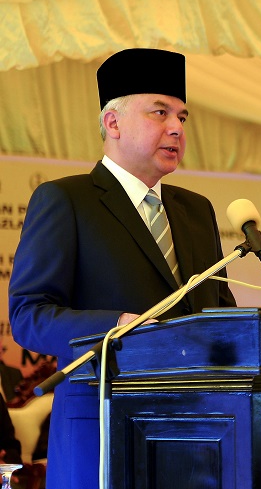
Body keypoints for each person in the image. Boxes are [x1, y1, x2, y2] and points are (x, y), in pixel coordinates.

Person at [8, 48, 237, 489]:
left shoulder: (196, 211)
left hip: (199, 437)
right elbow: (29, 316)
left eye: (183, 117)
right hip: (102, 431)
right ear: (112, 123)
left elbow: (220, 316)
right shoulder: (67, 201)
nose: (176, 128)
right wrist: (115, 326)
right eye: (160, 112)